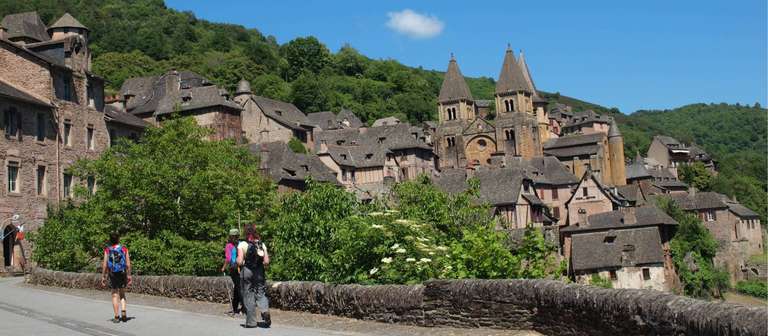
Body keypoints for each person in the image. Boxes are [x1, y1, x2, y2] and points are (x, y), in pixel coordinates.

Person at [237, 224, 271, 328]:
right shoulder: (261, 244)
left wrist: (240, 261)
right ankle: (264, 310)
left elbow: (239, 261)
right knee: (260, 292)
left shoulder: (242, 244)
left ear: (245, 233)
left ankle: (251, 322)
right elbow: (266, 261)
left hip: (247, 271)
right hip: (259, 271)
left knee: (248, 295)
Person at [101, 232, 132, 323]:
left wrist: (103, 276)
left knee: (115, 294)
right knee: (122, 293)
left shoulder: (107, 250)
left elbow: (105, 264)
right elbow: (128, 264)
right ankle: (123, 311)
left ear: (110, 240)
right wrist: (129, 275)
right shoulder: (124, 249)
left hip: (113, 274)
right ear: (119, 239)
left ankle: (116, 316)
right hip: (122, 273)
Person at [221, 228, 245, 316]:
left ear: (230, 236)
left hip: (234, 268)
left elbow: (228, 258)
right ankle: (235, 308)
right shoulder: (241, 244)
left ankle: (244, 307)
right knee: (237, 287)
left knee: (239, 288)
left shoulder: (229, 246)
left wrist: (223, 267)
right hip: (242, 267)